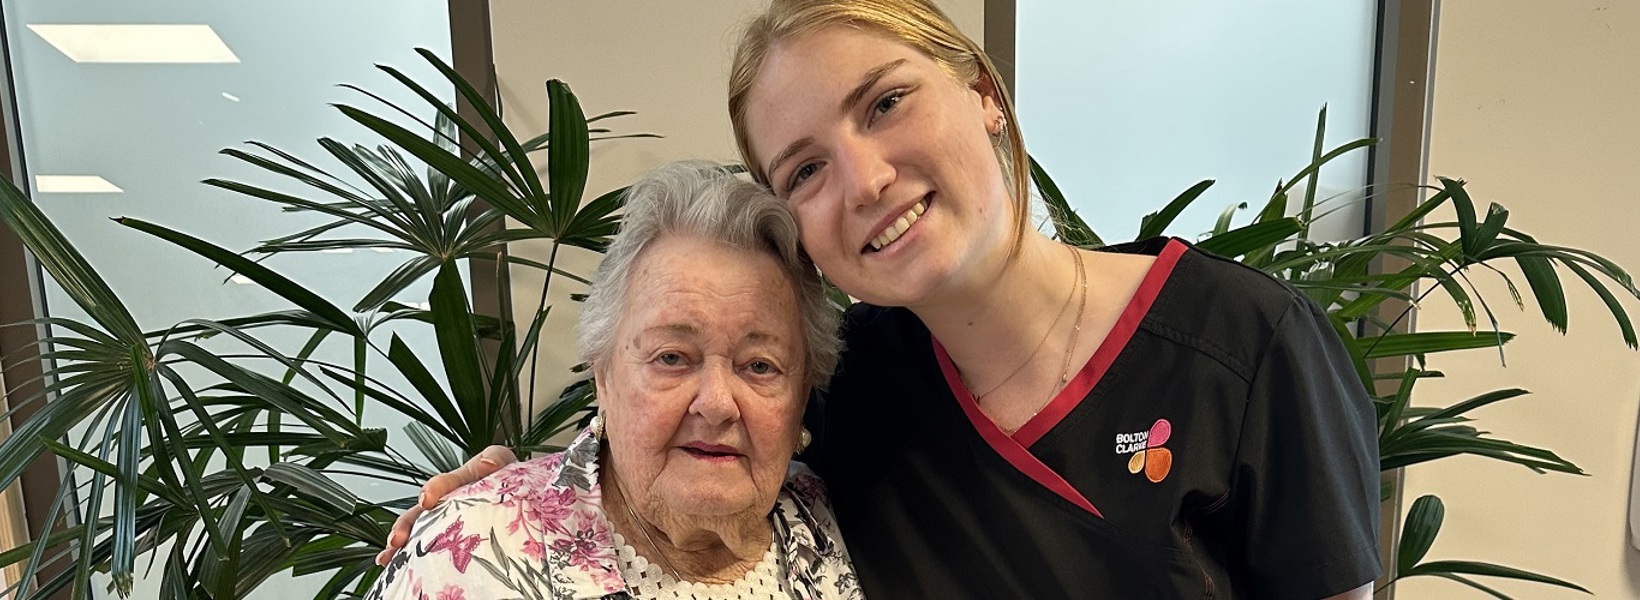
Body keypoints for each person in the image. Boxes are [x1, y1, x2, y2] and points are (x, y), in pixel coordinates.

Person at [385, 1, 1382, 597]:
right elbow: (679, 431)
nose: (861, 180)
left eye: (885, 103)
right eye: (805, 169)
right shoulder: (850, 388)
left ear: (985, 92)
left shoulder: (1243, 347)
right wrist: (499, 501)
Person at [367, 162, 861, 600]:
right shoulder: (470, 552)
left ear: (801, 397)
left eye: (759, 366)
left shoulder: (834, 519)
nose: (716, 404)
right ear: (603, 376)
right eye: (672, 357)